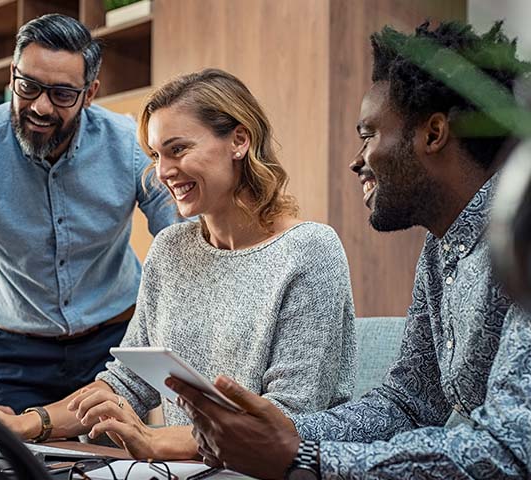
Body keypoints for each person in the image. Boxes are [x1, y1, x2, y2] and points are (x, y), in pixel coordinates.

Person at [168, 21, 531, 478]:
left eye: (369, 134)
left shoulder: (522, 236)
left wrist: (308, 459)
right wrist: (289, 433)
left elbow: (510, 451)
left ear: (433, 134)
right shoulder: (443, 246)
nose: (357, 160)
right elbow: (408, 404)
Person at [0, 68, 356, 459]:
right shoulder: (170, 249)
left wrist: (155, 441)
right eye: (156, 155)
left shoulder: (311, 250)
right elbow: (126, 382)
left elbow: (288, 420)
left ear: (239, 140)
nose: (162, 172)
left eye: (178, 149)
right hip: (187, 468)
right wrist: (29, 423)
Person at [0, 14, 179, 413]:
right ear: (13, 73)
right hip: (15, 353)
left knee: (112, 468)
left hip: (114, 346)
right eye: (28, 86)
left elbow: (181, 236)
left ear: (90, 93)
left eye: (62, 94)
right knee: (11, 463)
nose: (40, 106)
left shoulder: (127, 145)